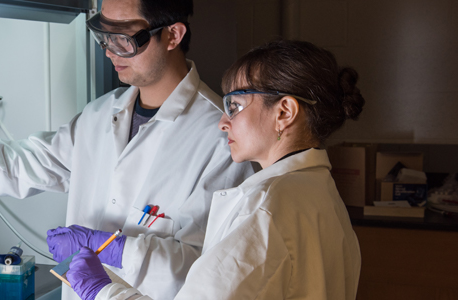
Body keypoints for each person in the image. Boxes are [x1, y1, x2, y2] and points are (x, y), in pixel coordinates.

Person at [0, 0, 253, 299]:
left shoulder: (220, 136)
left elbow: (206, 270)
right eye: (103, 36)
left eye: (124, 38)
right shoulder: (100, 116)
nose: (111, 50)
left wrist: (112, 247)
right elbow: (26, 166)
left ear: (173, 34)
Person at [62, 39, 365, 300]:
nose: (223, 122)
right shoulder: (322, 196)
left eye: (234, 106)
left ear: (284, 112)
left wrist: (101, 290)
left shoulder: (264, 207)